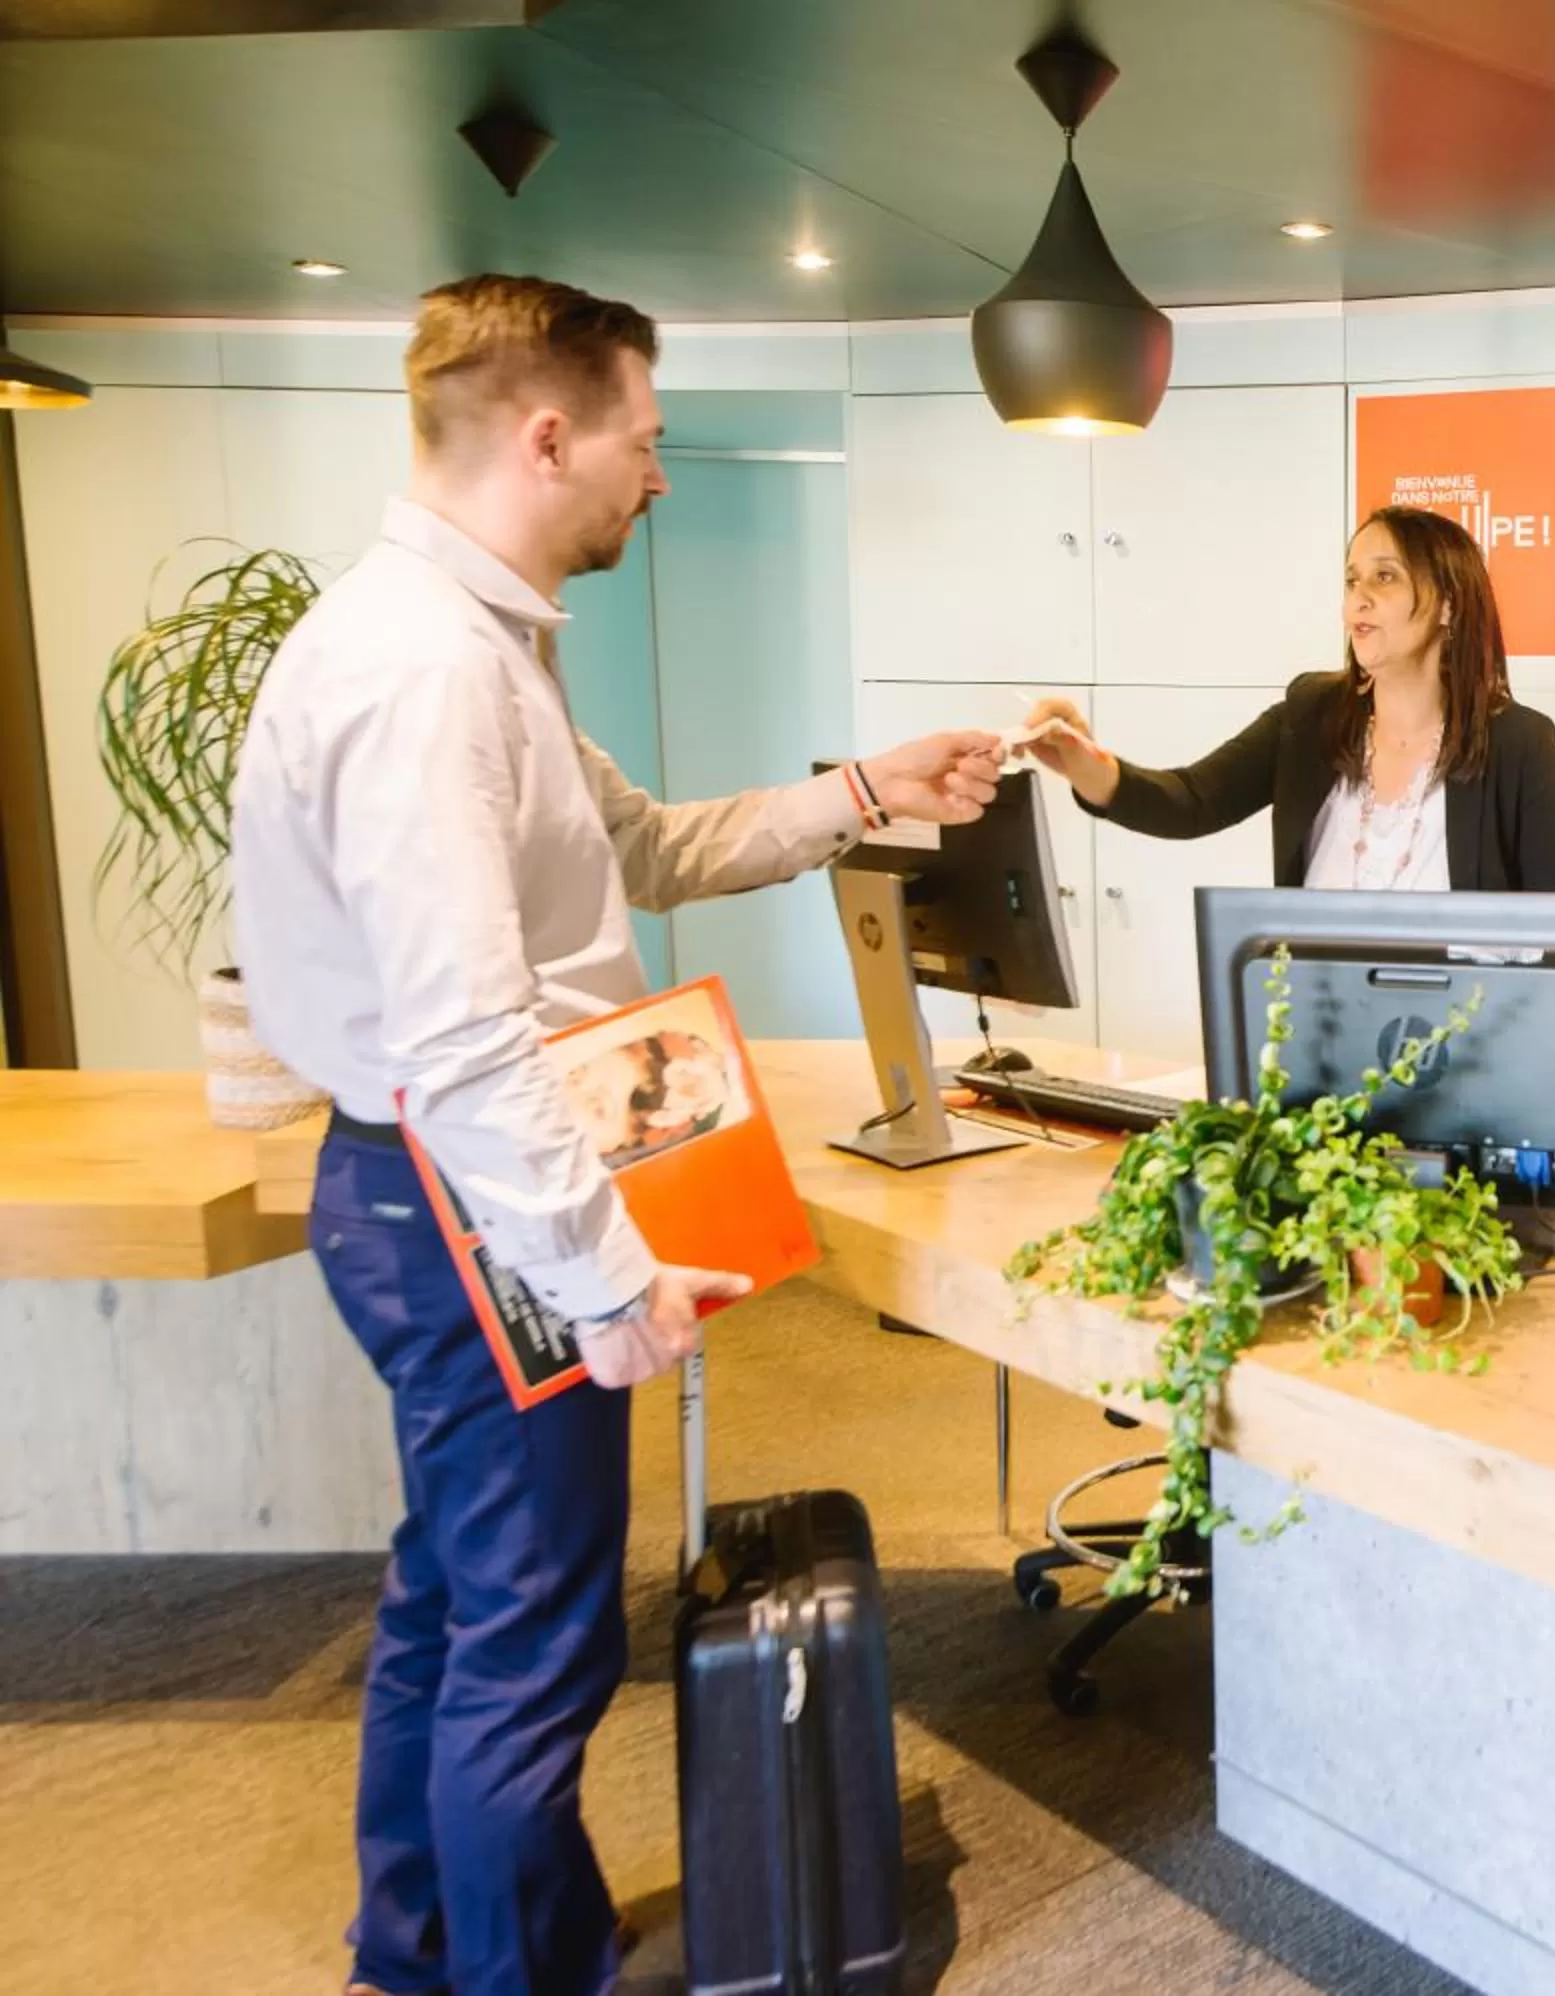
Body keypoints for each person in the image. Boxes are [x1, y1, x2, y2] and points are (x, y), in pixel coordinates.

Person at [227, 274, 1006, 1996]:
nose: (657, 478)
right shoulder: (423, 673)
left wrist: (867, 789)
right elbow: (459, 1039)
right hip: (470, 1202)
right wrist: (600, 1271)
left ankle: (412, 1953)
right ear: (548, 430)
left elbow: (644, 849)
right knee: (534, 1645)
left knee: (455, 1606)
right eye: (645, 441)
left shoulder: (467, 649)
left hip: (439, 1192)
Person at [1016, 504, 1555, 892]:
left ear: (1448, 605)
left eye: (1384, 577)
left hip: (1466, 1058)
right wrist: (1085, 766)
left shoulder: (1518, 749)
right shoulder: (1311, 716)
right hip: (1317, 1044)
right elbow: (1189, 801)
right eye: (1351, 580)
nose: (1358, 599)